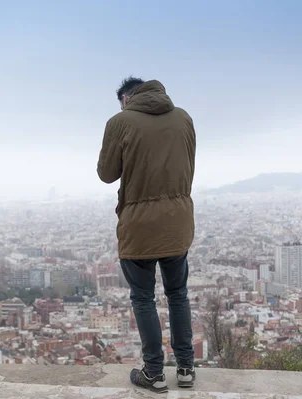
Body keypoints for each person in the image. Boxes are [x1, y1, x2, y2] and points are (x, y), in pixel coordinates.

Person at [97, 77, 196, 393]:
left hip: (139, 224)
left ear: (126, 99)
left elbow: (106, 173)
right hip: (178, 221)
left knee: (142, 297)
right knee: (177, 293)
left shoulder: (120, 121)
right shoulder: (184, 118)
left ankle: (154, 372)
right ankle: (185, 368)